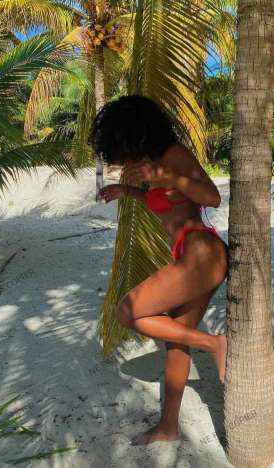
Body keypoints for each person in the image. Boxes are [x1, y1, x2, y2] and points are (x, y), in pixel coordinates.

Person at [88, 95, 228, 445]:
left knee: (127, 312)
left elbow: (211, 197)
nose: (122, 158)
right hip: (193, 257)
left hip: (202, 253)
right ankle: (168, 427)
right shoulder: (153, 164)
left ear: (134, 134)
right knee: (176, 343)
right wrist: (128, 191)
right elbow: (167, 203)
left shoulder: (173, 156)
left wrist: (165, 175)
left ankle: (214, 343)